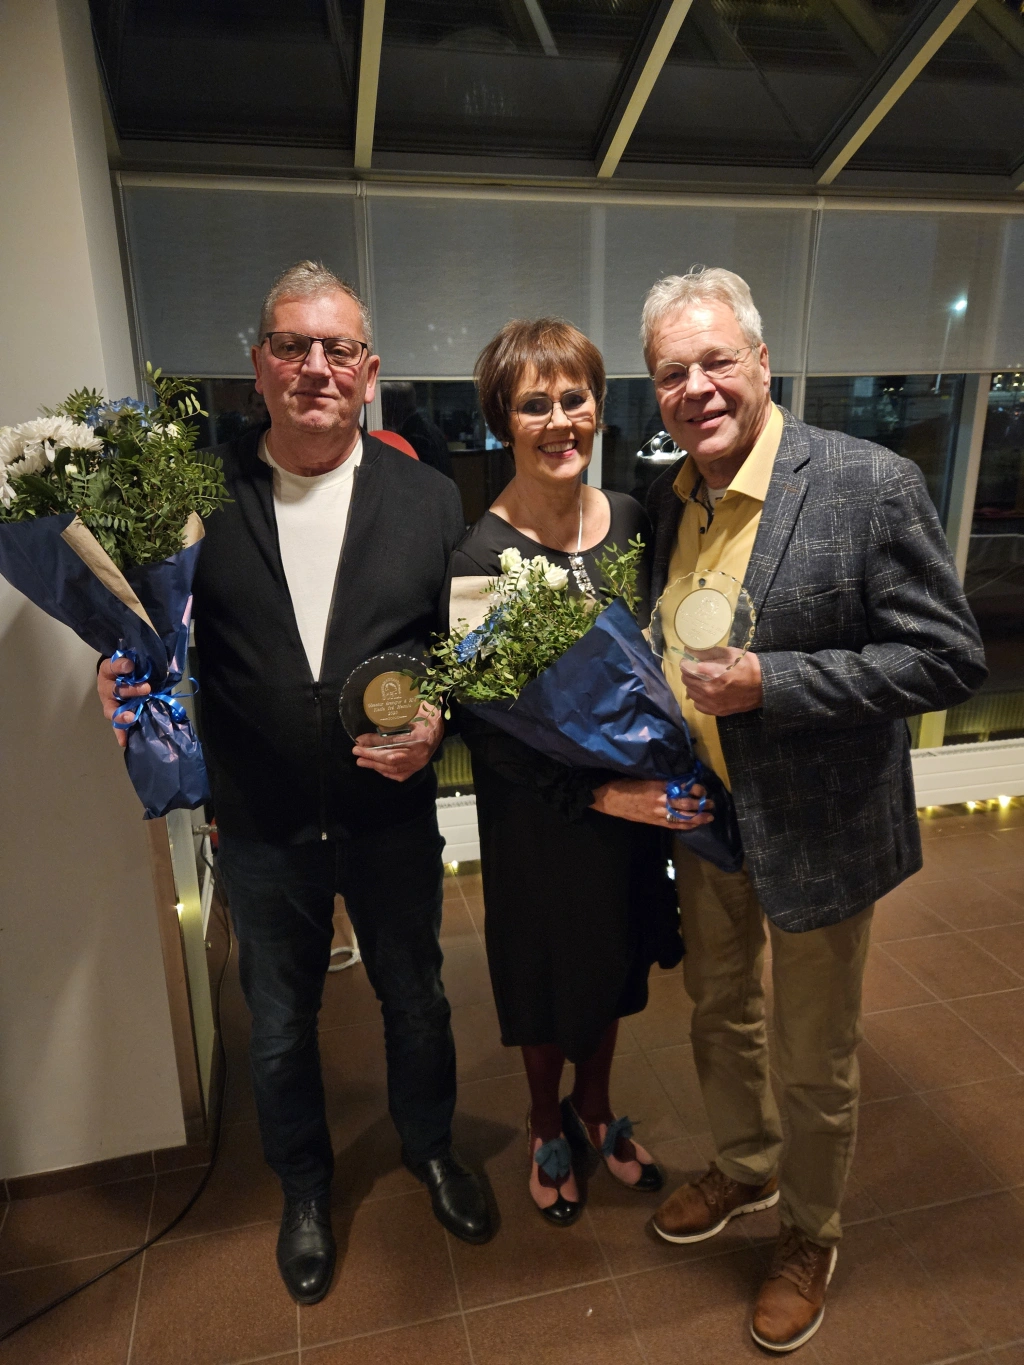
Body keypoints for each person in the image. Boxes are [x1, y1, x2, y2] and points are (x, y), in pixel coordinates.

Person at [97, 260, 493, 1306]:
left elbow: (456, 654)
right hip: (263, 825)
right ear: (258, 365)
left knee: (418, 1001)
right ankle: (305, 1189)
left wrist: (438, 719)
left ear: (370, 371)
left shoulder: (427, 497)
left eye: (338, 348)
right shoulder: (195, 499)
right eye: (292, 345)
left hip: (390, 816)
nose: (316, 365)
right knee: (277, 1027)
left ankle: (431, 1147)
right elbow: (153, 635)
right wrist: (124, 676)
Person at [641, 267, 986, 1353]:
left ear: (762, 362)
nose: (696, 388)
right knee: (717, 1013)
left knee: (814, 1054)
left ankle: (809, 1231)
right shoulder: (671, 496)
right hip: (709, 821)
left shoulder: (867, 482)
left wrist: (773, 685)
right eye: (672, 373)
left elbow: (948, 657)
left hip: (822, 825)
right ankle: (745, 1167)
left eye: (715, 361)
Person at [448, 318, 714, 1225]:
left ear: (598, 407)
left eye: (575, 398)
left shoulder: (633, 518)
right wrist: (604, 791)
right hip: (540, 817)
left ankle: (595, 1108)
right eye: (535, 405)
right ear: (503, 423)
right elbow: (487, 730)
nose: (560, 421)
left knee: (613, 966)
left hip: (631, 819)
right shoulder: (479, 560)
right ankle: (541, 1121)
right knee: (545, 977)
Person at [380, 380, 455, 479]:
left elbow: (422, 478)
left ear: (393, 407)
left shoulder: (413, 437)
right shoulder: (430, 427)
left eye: (383, 405)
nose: (383, 414)